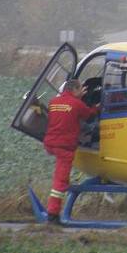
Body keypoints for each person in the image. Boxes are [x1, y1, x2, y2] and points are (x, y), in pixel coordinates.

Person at [43, 79, 100, 224]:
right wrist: (97, 107)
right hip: (64, 147)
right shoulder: (77, 104)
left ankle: (53, 212)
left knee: (59, 178)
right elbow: (89, 115)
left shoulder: (53, 102)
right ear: (74, 90)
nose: (82, 91)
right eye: (80, 89)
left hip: (50, 144)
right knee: (60, 183)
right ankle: (53, 215)